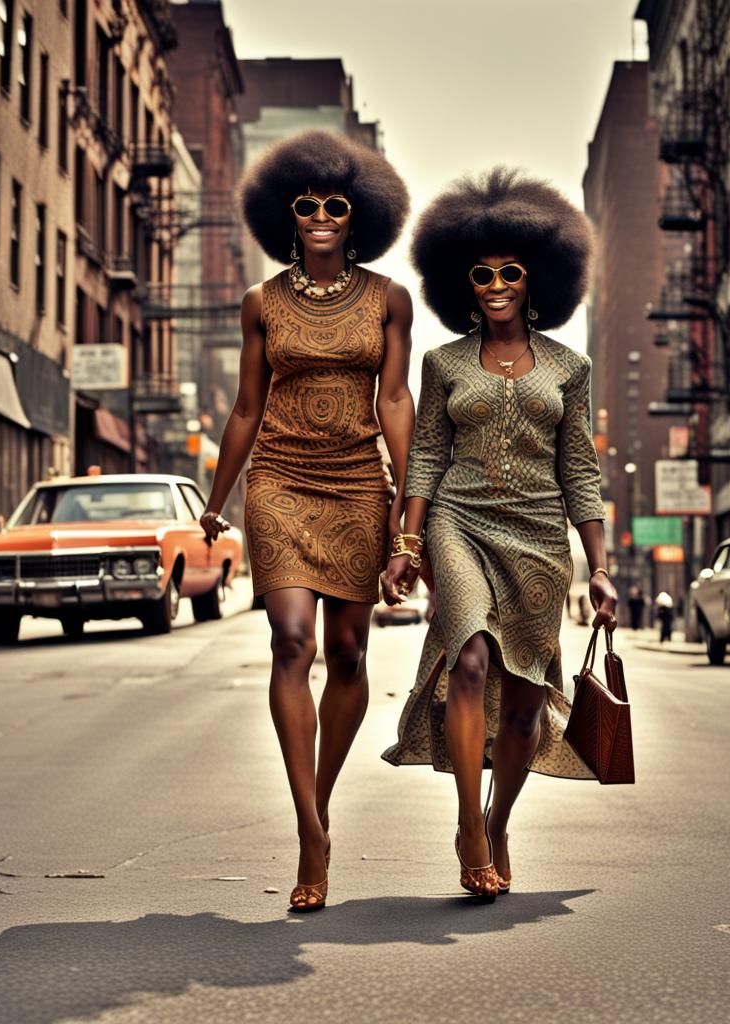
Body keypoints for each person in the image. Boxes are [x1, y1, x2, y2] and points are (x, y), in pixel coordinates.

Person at [382, 168, 618, 901]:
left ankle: (501, 816)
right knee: (472, 660)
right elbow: (424, 453)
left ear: (536, 277)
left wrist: (601, 567)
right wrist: (408, 543)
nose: (494, 284)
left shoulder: (569, 368)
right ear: (464, 282)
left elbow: (579, 468)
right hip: (459, 521)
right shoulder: (444, 363)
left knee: (522, 701)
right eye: (480, 274)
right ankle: (467, 827)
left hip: (540, 538)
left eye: (509, 272)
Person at [200, 131, 414, 913]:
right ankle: (310, 834)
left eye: (336, 205)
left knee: (350, 656)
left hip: (360, 482)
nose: (321, 216)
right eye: (306, 205)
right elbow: (246, 407)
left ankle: (317, 801)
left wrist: (410, 498)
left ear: (357, 218)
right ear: (286, 217)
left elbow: (394, 399)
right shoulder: (261, 303)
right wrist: (215, 500)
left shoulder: (390, 298)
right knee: (292, 639)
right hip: (281, 481)